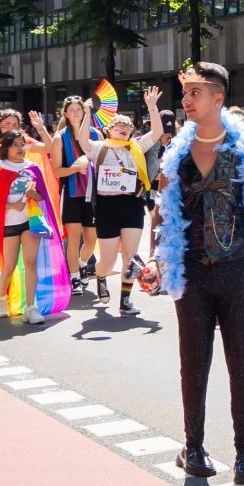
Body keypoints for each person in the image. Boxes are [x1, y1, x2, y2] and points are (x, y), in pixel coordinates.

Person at [158, 62, 244, 485]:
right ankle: (193, 447)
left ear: (218, 98)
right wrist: (157, 262)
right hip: (191, 272)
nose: (186, 100)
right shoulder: (175, 152)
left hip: (237, 271)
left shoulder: (243, 149)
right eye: (185, 93)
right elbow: (165, 212)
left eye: (195, 92)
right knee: (193, 363)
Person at [76, 86, 165, 315]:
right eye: (119, 125)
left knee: (130, 256)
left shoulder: (136, 146)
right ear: (109, 130)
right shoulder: (100, 148)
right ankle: (101, 277)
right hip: (107, 207)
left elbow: (156, 132)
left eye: (127, 126)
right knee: (107, 259)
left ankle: (125, 301)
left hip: (132, 204)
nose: (123, 128)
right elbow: (83, 140)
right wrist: (87, 113)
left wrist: (152, 107)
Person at [0, 120, 61, 325]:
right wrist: (11, 207)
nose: (20, 148)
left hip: (30, 221)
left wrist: (32, 194)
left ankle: (30, 307)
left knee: (30, 263)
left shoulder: (33, 168)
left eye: (22, 144)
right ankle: (2, 298)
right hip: (8, 224)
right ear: (6, 148)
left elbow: (42, 196)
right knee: (9, 265)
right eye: (15, 145)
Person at [52, 97, 98, 295]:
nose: (76, 112)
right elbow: (57, 171)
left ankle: (81, 264)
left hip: (94, 192)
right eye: (71, 109)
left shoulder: (96, 134)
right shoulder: (59, 138)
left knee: (91, 239)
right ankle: (74, 277)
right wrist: (74, 169)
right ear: (65, 114)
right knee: (73, 237)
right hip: (72, 193)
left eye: (79, 109)